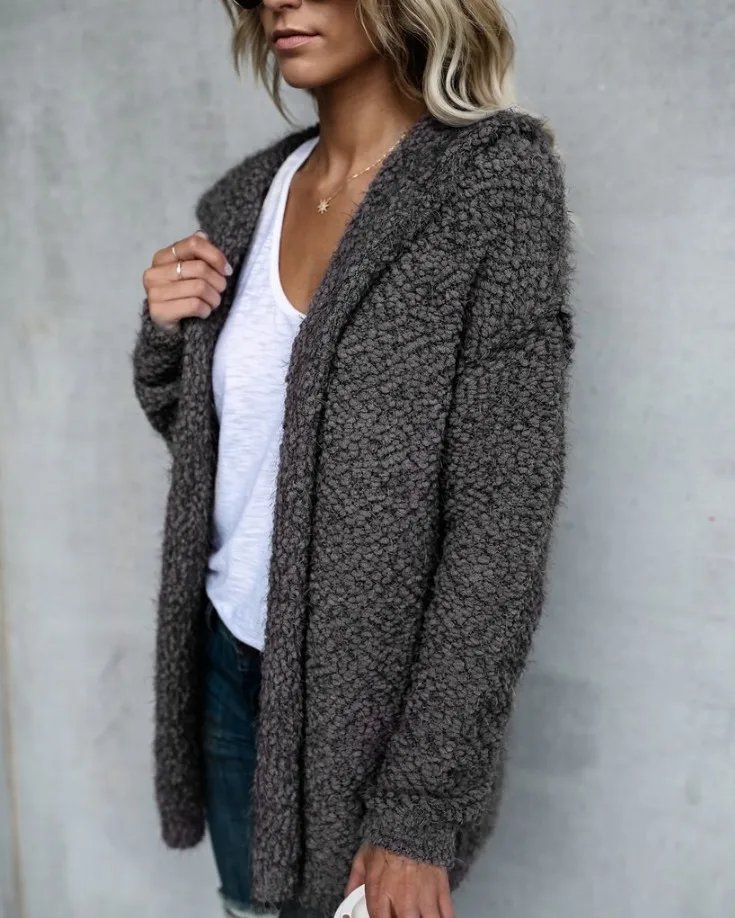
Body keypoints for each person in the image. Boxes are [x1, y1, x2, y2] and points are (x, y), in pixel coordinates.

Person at [131, 0, 575, 914]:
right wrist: (165, 332)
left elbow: (501, 524)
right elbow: (225, 452)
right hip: (226, 659)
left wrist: (419, 808)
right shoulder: (247, 201)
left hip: (369, 707)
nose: (278, 3)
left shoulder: (489, 188)